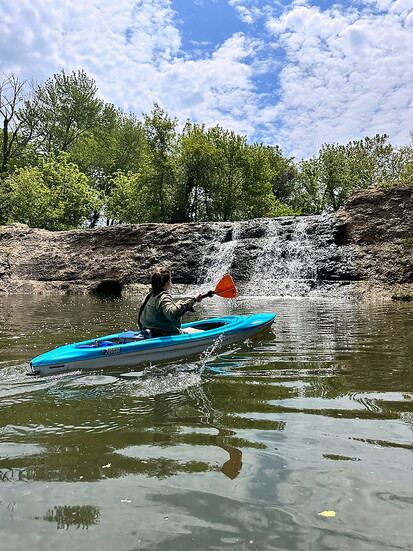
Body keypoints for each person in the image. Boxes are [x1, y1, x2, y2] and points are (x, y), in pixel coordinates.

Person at [138, 266, 205, 337]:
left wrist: (176, 305)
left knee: (189, 329)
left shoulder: (149, 296)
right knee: (203, 333)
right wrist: (193, 300)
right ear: (168, 281)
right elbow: (173, 314)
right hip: (162, 334)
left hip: (148, 332)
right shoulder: (163, 296)